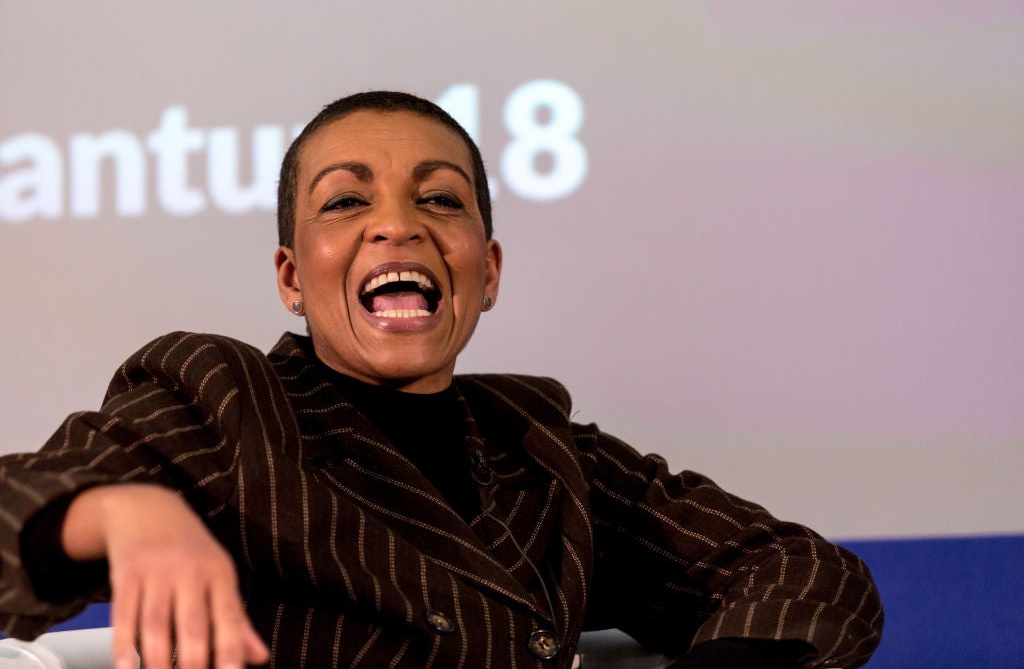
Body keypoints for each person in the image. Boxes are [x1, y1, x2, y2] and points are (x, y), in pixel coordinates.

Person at [0, 91, 883, 668]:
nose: (398, 225)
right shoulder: (225, 402)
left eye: (440, 198)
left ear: (485, 271)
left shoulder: (544, 451)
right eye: (347, 201)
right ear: (292, 278)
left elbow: (802, 571)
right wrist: (112, 511)